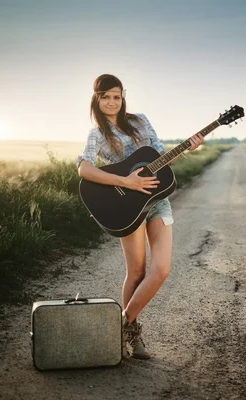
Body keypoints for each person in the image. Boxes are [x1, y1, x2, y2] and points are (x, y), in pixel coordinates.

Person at [76, 74, 204, 359]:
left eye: (117, 96)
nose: (112, 102)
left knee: (161, 270)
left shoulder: (140, 121)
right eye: (106, 97)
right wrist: (127, 182)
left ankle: (121, 324)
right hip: (128, 206)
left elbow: (159, 153)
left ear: (123, 98)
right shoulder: (97, 133)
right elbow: (84, 169)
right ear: (97, 99)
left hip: (158, 202)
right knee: (137, 271)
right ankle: (132, 333)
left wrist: (188, 147)